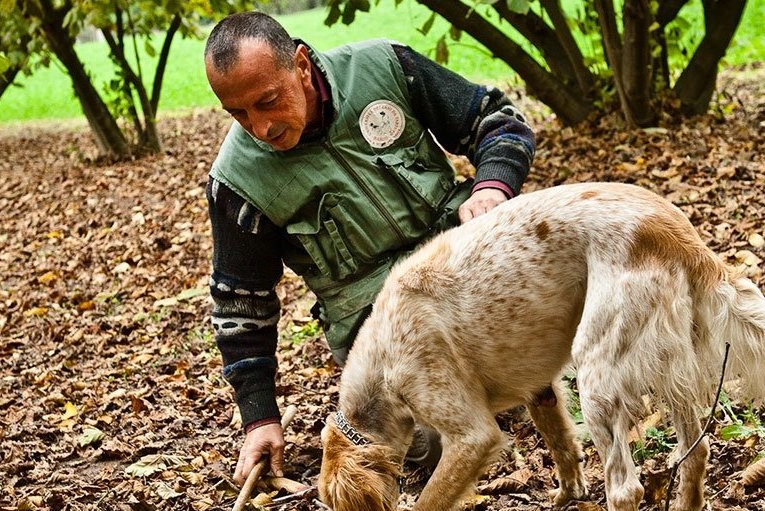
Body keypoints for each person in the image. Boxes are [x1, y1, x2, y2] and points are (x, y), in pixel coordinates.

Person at [203, 12, 536, 484]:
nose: (259, 127)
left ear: (301, 65)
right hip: (381, 330)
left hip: (463, 274)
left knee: (571, 342)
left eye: (268, 102)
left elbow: (498, 122)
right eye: (238, 114)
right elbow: (241, 306)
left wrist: (491, 190)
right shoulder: (237, 181)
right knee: (436, 440)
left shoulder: (384, 68)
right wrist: (259, 419)